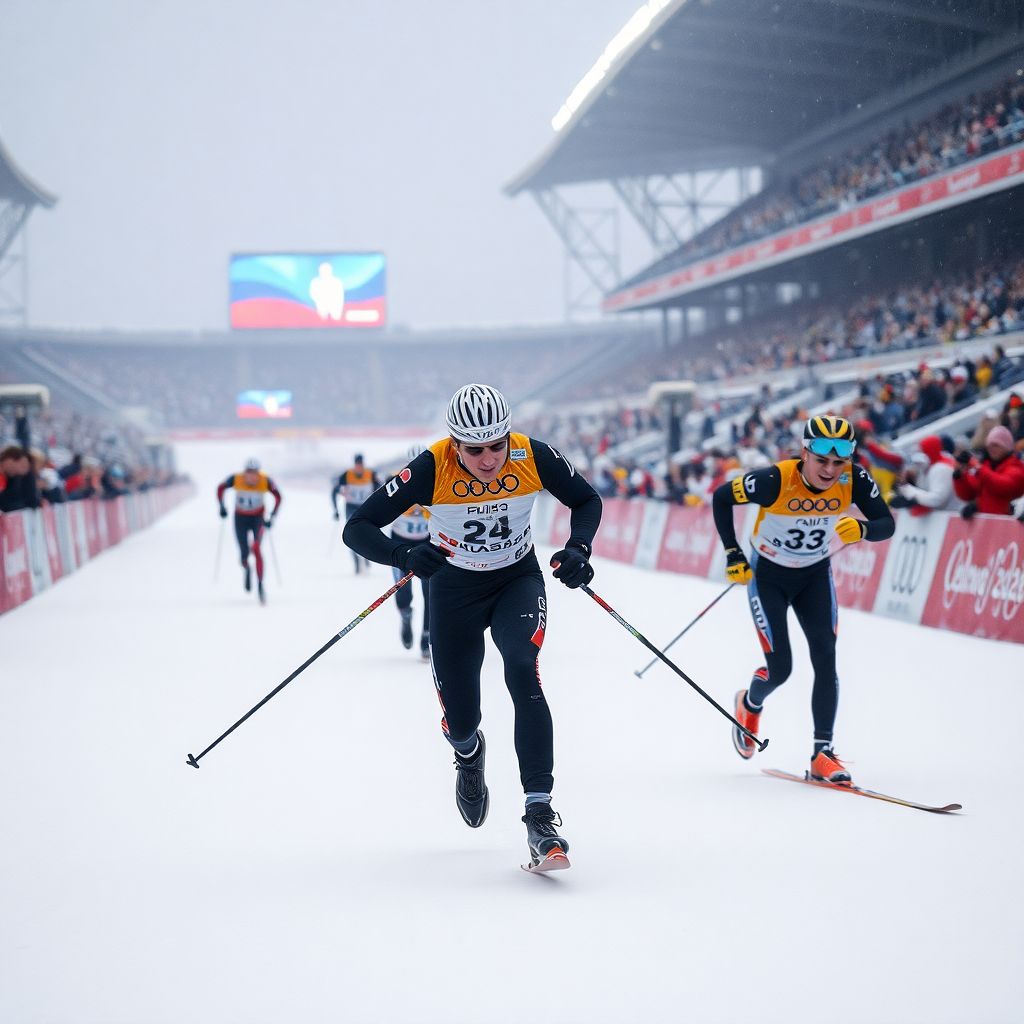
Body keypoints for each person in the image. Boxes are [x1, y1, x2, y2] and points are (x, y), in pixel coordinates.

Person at [343, 384, 602, 870]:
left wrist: (579, 549)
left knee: (524, 671)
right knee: (463, 718)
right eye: (475, 450)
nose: (488, 460)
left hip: (516, 580)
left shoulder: (533, 455)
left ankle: (539, 814)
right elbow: (357, 527)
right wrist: (401, 555)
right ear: (454, 444)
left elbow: (586, 501)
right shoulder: (429, 467)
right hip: (453, 589)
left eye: (496, 446)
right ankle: (467, 754)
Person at [711, 416, 894, 785]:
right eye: (821, 460)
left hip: (814, 576)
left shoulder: (853, 479)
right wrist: (733, 552)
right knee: (781, 669)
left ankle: (822, 753)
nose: (830, 470)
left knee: (826, 657)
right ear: (805, 453)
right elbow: (721, 497)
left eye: (838, 462)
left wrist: (862, 528)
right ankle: (749, 703)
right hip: (769, 578)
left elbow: (885, 523)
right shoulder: (775, 480)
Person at [387, 445, 432, 659]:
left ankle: (426, 636)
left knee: (431, 593)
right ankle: (406, 615)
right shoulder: (395, 483)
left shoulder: (437, 482)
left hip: (426, 544)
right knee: (403, 593)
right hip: (400, 546)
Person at [217, 457, 281, 604]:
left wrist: (272, 516)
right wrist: (221, 506)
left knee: (256, 548)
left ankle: (260, 585)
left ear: (259, 473)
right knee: (244, 553)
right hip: (240, 518)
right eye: (249, 473)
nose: (252, 476)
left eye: (255, 473)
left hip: (257, 518)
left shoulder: (266, 481)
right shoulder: (236, 479)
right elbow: (220, 488)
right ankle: (247, 568)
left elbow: (278, 497)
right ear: (244, 473)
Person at [952, 424, 1024, 518]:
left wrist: (977, 467)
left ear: (1007, 447)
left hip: (1006, 526)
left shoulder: (1016, 468)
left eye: (996, 445)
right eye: (989, 445)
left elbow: (1001, 486)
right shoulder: (986, 466)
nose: (991, 449)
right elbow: (968, 495)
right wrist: (959, 477)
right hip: (987, 525)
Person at [332, 454, 380, 574]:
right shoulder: (347, 475)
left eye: (361, 464)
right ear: (355, 464)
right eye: (357, 464)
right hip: (351, 507)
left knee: (368, 533)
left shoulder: (370, 474)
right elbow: (334, 491)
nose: (359, 466)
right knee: (352, 535)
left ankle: (366, 555)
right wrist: (336, 510)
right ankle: (356, 562)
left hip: (366, 507)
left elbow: (381, 488)